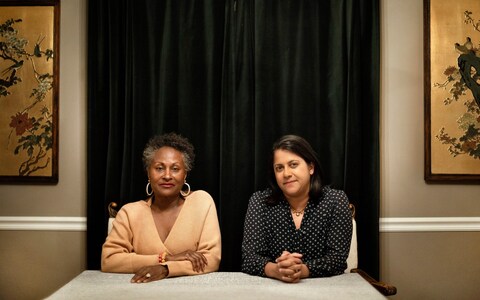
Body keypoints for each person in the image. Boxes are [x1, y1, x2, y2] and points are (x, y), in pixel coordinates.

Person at [102, 132, 221, 283]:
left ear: (185, 175)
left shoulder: (202, 202)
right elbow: (109, 261)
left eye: (175, 168)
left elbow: (211, 260)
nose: (167, 175)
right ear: (148, 173)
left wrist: (165, 269)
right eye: (159, 168)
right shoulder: (129, 212)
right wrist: (164, 258)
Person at [241, 134, 352, 283]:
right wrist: (276, 270)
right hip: (272, 288)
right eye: (279, 168)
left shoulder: (335, 200)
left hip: (325, 289)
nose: (286, 174)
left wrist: (301, 270)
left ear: (311, 167)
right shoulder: (260, 202)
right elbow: (249, 258)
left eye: (293, 164)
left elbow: (337, 259)